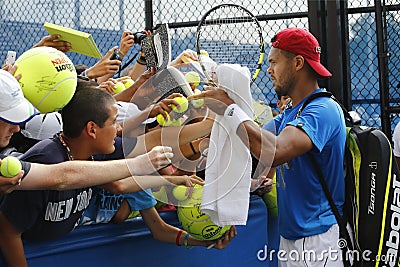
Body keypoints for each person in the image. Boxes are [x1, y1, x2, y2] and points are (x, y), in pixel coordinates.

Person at [0, 82, 235, 267]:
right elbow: (8, 231)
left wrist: (221, 118)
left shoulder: (97, 151)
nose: (119, 129)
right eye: (114, 122)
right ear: (92, 129)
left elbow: (155, 140)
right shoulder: (46, 158)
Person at [189, 27, 347, 266]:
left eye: (274, 62)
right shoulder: (292, 112)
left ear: (297, 63)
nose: (269, 70)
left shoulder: (323, 110)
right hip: (293, 238)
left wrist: (230, 108)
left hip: (318, 239)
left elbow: (275, 152)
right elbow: (252, 141)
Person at [0, 68, 201, 195]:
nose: (16, 127)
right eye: (9, 119)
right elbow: (62, 176)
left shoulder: (96, 145)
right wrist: (141, 164)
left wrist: (210, 124)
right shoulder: (48, 151)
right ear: (91, 129)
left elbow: (150, 141)